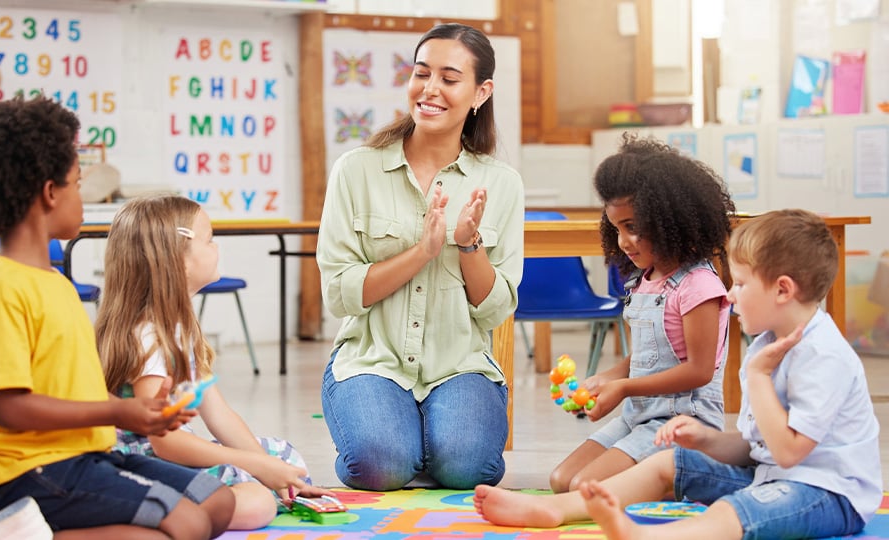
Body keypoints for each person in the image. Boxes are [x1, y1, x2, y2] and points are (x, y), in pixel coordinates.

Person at [474, 209, 883, 539]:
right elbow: (759, 448)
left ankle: (651, 536)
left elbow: (791, 452)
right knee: (669, 463)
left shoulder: (821, 355)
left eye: (740, 284)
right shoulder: (766, 344)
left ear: (782, 290)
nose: (730, 294)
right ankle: (554, 509)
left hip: (828, 494)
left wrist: (756, 380)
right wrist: (706, 440)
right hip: (769, 476)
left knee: (735, 511)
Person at [0, 96, 235, 538]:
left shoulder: (56, 282)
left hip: (87, 453)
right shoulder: (2, 287)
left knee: (218, 501)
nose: (82, 197)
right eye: (77, 184)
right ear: (50, 193)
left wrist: (147, 411)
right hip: (32, 471)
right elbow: (8, 408)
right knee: (188, 524)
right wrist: (121, 412)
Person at [316, 22, 524, 491]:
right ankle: (397, 437)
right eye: (421, 73)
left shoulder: (502, 183)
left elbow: (495, 309)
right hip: (372, 360)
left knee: (468, 470)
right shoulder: (356, 170)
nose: (430, 89)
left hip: (459, 364)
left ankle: (428, 439)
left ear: (480, 92)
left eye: (449, 79)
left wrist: (469, 246)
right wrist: (424, 251)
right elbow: (340, 294)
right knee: (379, 467)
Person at [97, 195, 335, 530]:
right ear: (179, 261)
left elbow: (218, 413)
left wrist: (263, 465)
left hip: (173, 454)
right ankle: (153, 516)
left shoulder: (179, 327)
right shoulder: (149, 338)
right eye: (209, 240)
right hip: (142, 463)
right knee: (257, 504)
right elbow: (165, 442)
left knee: (283, 458)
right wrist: (254, 468)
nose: (216, 248)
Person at [548, 134, 735, 493]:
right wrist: (607, 378)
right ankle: (654, 478)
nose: (623, 241)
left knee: (585, 487)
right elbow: (654, 355)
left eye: (633, 227)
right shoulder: (645, 280)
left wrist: (624, 387)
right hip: (640, 415)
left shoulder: (698, 285)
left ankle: (690, 471)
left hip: (683, 421)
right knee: (562, 481)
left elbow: (698, 370)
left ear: (669, 219)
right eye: (616, 228)